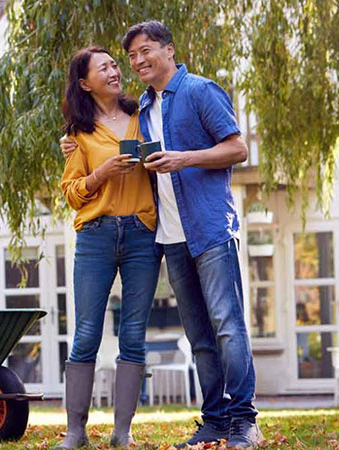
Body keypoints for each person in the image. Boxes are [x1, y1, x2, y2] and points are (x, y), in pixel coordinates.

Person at [61, 21, 262, 449]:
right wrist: (85, 157)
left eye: (143, 51)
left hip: (204, 228)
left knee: (226, 325)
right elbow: (80, 178)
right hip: (167, 236)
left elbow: (238, 149)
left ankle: (244, 421)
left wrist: (185, 159)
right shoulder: (142, 109)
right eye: (129, 57)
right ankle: (213, 420)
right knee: (200, 334)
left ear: (169, 50)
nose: (134, 63)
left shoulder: (197, 92)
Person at [57, 46, 160, 449]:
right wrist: (101, 172)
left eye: (115, 65)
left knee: (134, 334)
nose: (115, 71)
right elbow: (72, 193)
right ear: (85, 83)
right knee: (85, 334)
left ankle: (122, 432)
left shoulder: (143, 116)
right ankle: (75, 431)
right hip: (96, 234)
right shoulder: (78, 134)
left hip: (141, 233)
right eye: (104, 68)